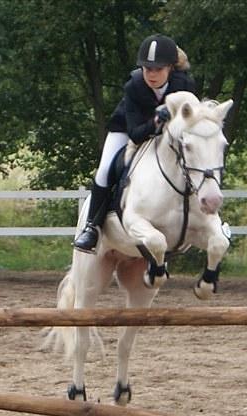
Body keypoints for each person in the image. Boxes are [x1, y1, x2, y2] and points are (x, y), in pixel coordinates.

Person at [72, 34, 196, 254]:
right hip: (126, 131)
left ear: (170, 68)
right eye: (147, 68)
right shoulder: (134, 86)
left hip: (168, 136)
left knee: (195, 160)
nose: (151, 74)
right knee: (105, 170)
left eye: (158, 69)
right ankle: (92, 228)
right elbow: (136, 134)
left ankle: (201, 219)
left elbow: (191, 121)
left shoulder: (185, 84)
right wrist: (158, 120)